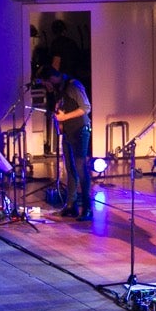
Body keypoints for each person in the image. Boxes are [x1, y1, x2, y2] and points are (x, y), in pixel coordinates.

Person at [41, 67, 93, 220]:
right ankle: (71, 205)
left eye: (47, 83)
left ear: (53, 78)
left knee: (80, 168)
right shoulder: (60, 88)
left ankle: (87, 209)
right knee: (70, 169)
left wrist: (65, 117)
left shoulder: (74, 85)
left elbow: (86, 107)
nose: (47, 86)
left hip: (80, 131)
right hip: (68, 132)